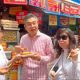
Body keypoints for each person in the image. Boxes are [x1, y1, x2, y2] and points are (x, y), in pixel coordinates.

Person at [15, 13, 54, 80]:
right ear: (25, 26)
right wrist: (18, 53)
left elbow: (51, 57)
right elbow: (21, 55)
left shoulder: (46, 39)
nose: (32, 26)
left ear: (37, 24)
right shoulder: (23, 38)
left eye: (34, 23)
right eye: (29, 24)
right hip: (26, 76)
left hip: (40, 76)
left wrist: (40, 58)